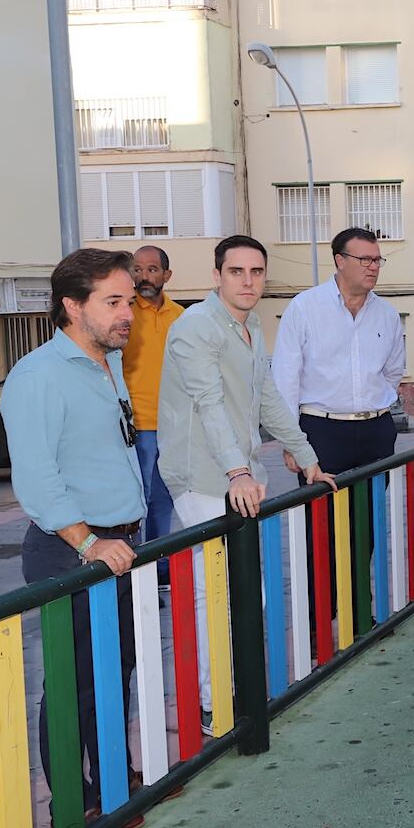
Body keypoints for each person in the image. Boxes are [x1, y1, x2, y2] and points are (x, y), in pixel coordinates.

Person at [158, 235, 335, 734]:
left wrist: (307, 459)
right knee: (213, 595)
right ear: (217, 275)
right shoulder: (195, 328)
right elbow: (209, 403)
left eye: (256, 271)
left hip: (240, 480)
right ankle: (213, 706)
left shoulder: (251, 325)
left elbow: (269, 399)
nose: (248, 281)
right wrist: (237, 471)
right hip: (203, 478)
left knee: (243, 594)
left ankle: (236, 692)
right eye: (237, 271)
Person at [2, 248, 145, 824]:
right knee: (72, 681)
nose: (126, 314)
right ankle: (75, 798)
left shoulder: (106, 363)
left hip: (120, 546)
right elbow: (38, 479)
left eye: (128, 302)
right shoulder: (39, 375)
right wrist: (88, 543)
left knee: (118, 669)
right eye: (112, 303)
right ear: (72, 306)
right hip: (73, 551)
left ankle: (114, 774)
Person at [272, 227, 406, 477]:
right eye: (365, 259)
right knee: (322, 514)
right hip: (322, 431)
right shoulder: (304, 308)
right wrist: (292, 442)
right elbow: (286, 379)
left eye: (377, 260)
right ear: (340, 261)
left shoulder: (387, 315)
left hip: (376, 431)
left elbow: (393, 372)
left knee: (371, 512)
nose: (373, 267)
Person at [121, 246, 182, 581]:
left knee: (163, 501)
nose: (144, 276)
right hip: (137, 427)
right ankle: (135, 572)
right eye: (138, 270)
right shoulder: (125, 313)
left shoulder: (181, 316)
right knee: (137, 502)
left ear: (166, 276)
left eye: (152, 269)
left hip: (173, 427)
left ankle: (159, 570)